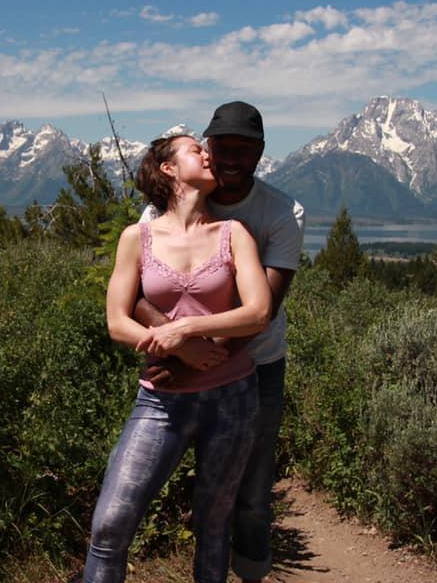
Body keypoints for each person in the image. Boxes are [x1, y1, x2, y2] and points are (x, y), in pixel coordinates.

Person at [81, 134, 272, 583]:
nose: (207, 155)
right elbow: (117, 321)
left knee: (212, 526)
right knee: (109, 525)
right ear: (167, 168)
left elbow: (258, 312)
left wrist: (186, 327)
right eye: (194, 150)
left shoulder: (233, 234)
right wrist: (177, 344)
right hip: (161, 402)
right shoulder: (137, 238)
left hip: (233, 397)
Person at [136, 102, 305, 583]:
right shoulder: (163, 208)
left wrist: (193, 361)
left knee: (251, 491)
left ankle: (249, 571)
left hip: (256, 367)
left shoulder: (281, 212)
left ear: (260, 153)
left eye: (243, 149)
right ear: (207, 149)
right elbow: (136, 296)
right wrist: (179, 350)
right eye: (222, 147)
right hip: (174, 362)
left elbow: (263, 312)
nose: (231, 158)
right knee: (149, 486)